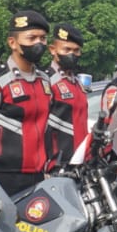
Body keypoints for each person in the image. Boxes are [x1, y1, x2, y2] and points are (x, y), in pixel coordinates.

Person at [0, 10, 56, 196]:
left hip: (37, 174)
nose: (38, 43)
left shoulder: (45, 81)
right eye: (32, 38)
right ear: (13, 43)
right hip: (1, 175)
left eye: (43, 38)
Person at [46, 22, 89, 165]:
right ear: (53, 50)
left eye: (76, 50)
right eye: (67, 49)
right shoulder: (47, 81)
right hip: (56, 162)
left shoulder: (77, 82)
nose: (72, 54)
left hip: (79, 159)